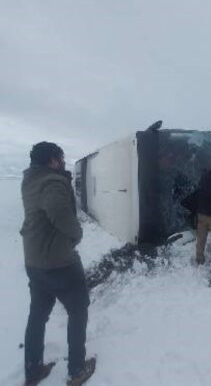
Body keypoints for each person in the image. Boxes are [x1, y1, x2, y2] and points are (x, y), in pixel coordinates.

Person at [20, 142, 96, 385]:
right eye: (61, 158)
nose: (63, 162)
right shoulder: (52, 182)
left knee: (38, 314)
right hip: (60, 262)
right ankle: (76, 371)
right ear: (53, 160)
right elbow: (58, 211)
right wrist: (76, 234)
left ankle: (33, 371)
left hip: (35, 262)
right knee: (78, 310)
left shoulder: (30, 180)